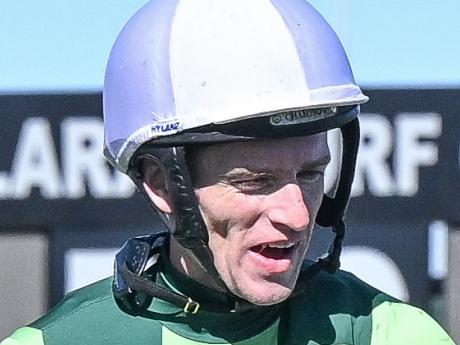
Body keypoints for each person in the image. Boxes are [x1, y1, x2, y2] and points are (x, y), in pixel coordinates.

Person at [2, 0, 455, 344]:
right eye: (254, 181)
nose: (297, 217)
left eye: (312, 173)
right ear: (161, 185)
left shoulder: (391, 332)